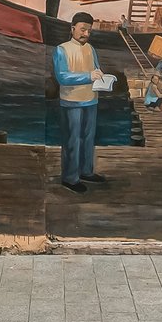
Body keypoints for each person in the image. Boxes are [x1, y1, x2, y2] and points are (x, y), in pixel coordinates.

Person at [53, 12, 108, 193]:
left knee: (88, 139)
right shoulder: (61, 49)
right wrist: (88, 76)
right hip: (70, 102)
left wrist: (102, 76)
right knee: (72, 141)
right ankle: (70, 178)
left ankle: (86, 171)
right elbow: (62, 77)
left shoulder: (91, 49)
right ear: (72, 28)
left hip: (91, 100)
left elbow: (96, 69)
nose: (86, 34)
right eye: (83, 29)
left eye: (89, 31)